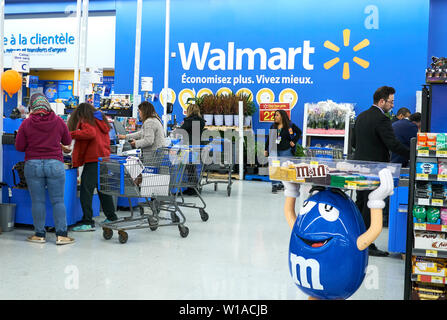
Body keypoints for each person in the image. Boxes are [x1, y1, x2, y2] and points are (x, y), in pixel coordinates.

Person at [351, 86, 410, 257]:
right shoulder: (382, 120)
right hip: (375, 168)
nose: (392, 105)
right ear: (382, 101)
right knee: (372, 204)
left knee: (361, 202)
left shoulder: (361, 116)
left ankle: (359, 239)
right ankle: (367, 244)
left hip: (359, 166)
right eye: (391, 102)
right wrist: (412, 151)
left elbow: (354, 142)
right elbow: (393, 144)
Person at [15, 93, 74, 245]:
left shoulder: (26, 124)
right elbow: (67, 141)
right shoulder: (58, 121)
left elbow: (19, 146)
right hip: (55, 164)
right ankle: (61, 235)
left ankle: (39, 234)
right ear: (47, 105)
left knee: (38, 201)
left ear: (32, 107)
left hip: (33, 164)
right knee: (58, 201)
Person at [67, 103, 119, 232]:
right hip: (104, 158)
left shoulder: (87, 120)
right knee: (102, 189)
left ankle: (87, 221)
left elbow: (90, 134)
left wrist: (72, 134)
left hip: (93, 160)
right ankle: (111, 217)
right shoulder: (100, 120)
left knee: (86, 190)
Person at [265, 110, 301, 193]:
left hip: (286, 150)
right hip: (273, 150)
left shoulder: (290, 125)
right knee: (273, 167)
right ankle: (274, 185)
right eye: (275, 115)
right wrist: (265, 149)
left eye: (277, 115)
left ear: (282, 116)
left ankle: (283, 184)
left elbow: (299, 132)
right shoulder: (273, 126)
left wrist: (294, 141)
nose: (275, 117)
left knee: (284, 168)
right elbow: (269, 138)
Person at [177, 103, 207, 196]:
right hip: (198, 147)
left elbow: (181, 130)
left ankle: (192, 188)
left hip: (190, 147)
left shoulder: (189, 121)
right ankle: (193, 186)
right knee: (193, 168)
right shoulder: (202, 121)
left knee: (188, 167)